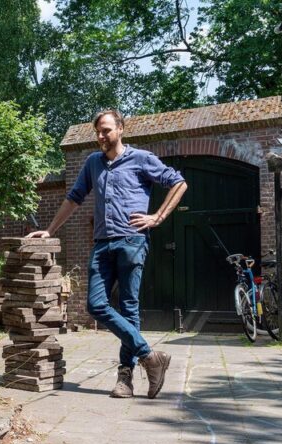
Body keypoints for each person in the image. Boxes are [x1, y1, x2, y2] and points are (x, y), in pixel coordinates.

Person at [28, 110, 187, 399]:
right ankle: (150, 356)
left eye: (106, 130)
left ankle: (124, 379)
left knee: (129, 308)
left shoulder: (140, 158)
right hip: (102, 244)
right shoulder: (92, 163)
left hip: (132, 241)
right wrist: (51, 229)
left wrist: (157, 217)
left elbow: (179, 182)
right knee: (95, 305)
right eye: (98, 132)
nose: (101, 136)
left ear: (121, 129)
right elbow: (74, 197)